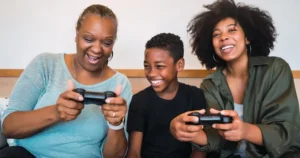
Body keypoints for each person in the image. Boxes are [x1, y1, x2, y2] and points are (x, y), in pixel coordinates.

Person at [170, 0, 300, 158]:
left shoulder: (275, 69)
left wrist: (245, 130)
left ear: (247, 38)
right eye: (216, 34)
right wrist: (182, 131)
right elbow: (218, 139)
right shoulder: (210, 84)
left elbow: (285, 133)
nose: (223, 37)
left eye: (232, 30)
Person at [0, 4, 132, 158]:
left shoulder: (120, 84)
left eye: (107, 43)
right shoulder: (46, 64)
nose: (97, 49)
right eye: (88, 39)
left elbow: (114, 156)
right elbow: (8, 127)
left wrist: (115, 124)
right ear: (76, 33)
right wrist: (56, 112)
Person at [126, 33, 207, 158]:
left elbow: (199, 150)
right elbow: (134, 153)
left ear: (179, 65)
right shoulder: (139, 101)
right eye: (147, 66)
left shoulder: (195, 96)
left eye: (159, 66)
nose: (152, 73)